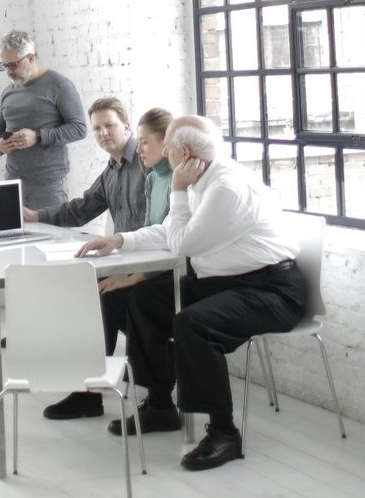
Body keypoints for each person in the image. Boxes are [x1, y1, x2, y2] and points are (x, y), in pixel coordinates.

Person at [77, 115, 305, 472]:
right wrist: (119, 240)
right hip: (225, 282)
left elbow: (182, 243)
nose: (163, 153)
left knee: (193, 324)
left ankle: (224, 433)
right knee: (142, 298)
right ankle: (159, 405)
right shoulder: (202, 176)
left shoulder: (225, 188)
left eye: (167, 147)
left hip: (271, 290)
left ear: (183, 153)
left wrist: (177, 190)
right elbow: (170, 230)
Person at [22, 98, 160, 420]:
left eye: (110, 125)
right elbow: (81, 209)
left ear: (127, 126)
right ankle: (87, 384)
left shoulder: (148, 163)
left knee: (100, 295)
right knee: (84, 287)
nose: (103, 133)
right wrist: (36, 216)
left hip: (154, 267)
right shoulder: (111, 171)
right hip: (125, 262)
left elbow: (164, 230)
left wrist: (131, 274)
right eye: (96, 128)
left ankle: (91, 392)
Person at [0, 29, 86, 209]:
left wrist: (38, 136)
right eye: (4, 65)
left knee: (51, 228)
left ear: (31, 58)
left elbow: (79, 129)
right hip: (12, 182)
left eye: (13, 65)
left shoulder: (59, 86)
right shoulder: (8, 92)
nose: (8, 71)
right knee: (12, 228)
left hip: (48, 185)